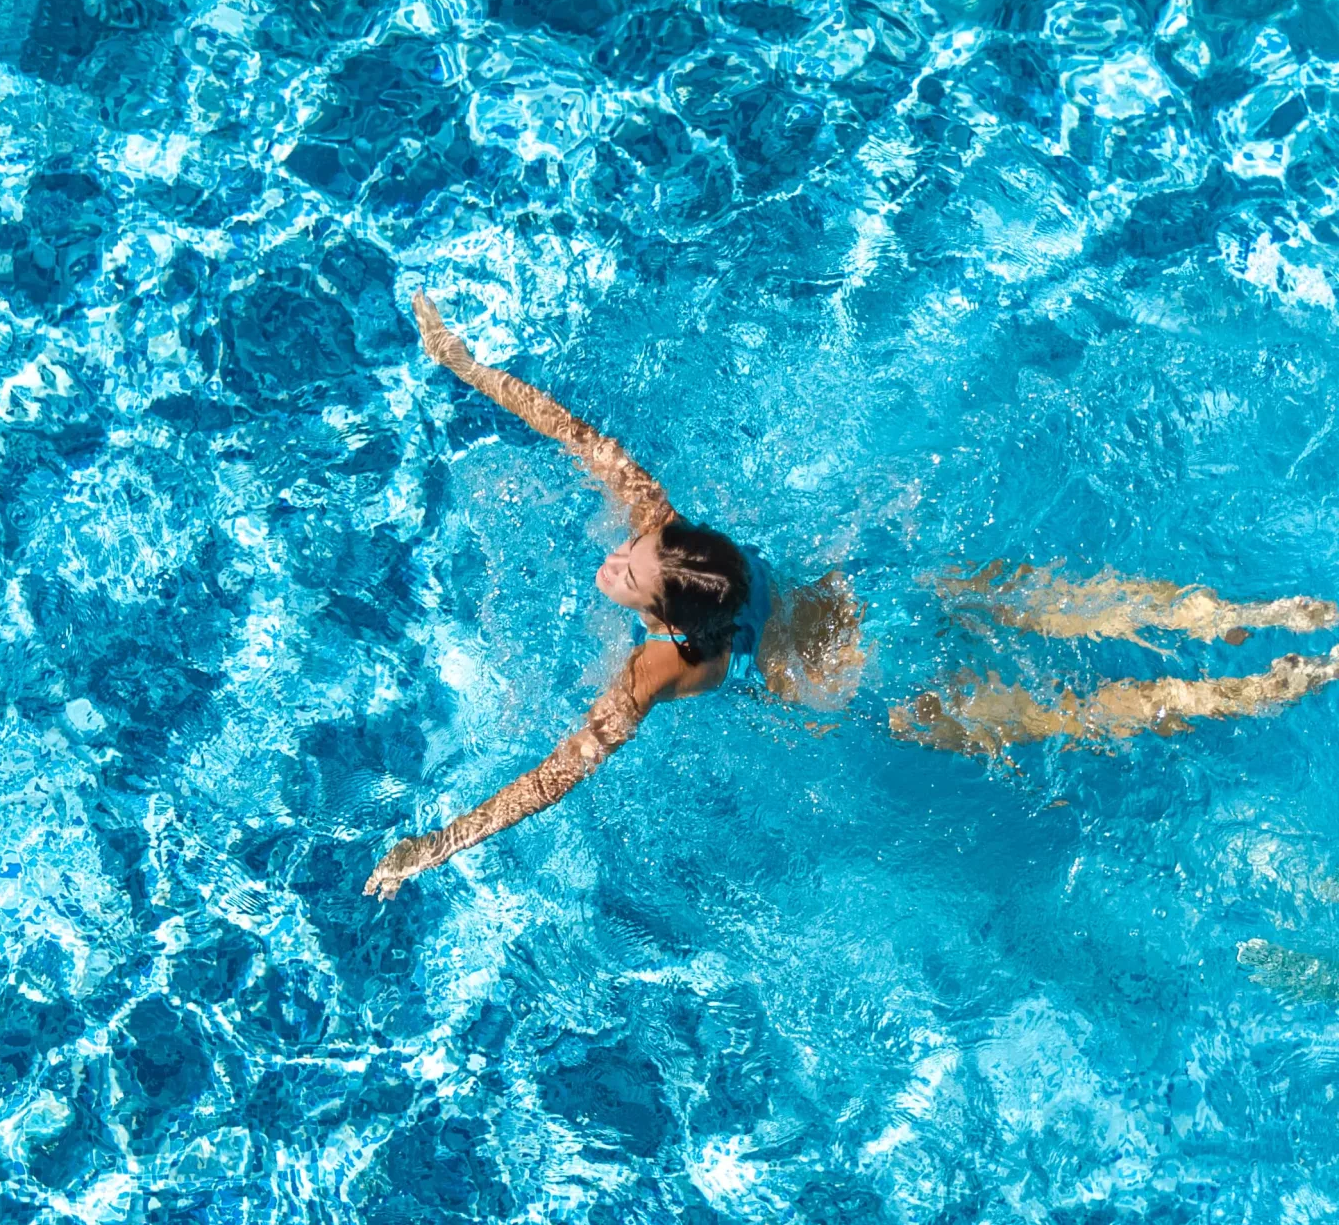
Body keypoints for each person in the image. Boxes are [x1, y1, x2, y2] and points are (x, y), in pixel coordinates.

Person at [363, 294, 1339, 901]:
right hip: (890, 604)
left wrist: (435, 845)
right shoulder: (683, 540)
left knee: (1075, 712)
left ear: (669, 619)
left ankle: (1270, 677)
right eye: (631, 551)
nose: (617, 559)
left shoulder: (659, 668)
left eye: (632, 571)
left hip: (883, 693)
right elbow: (579, 437)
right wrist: (463, 364)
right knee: (1071, 605)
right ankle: (1285, 622)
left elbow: (553, 776)